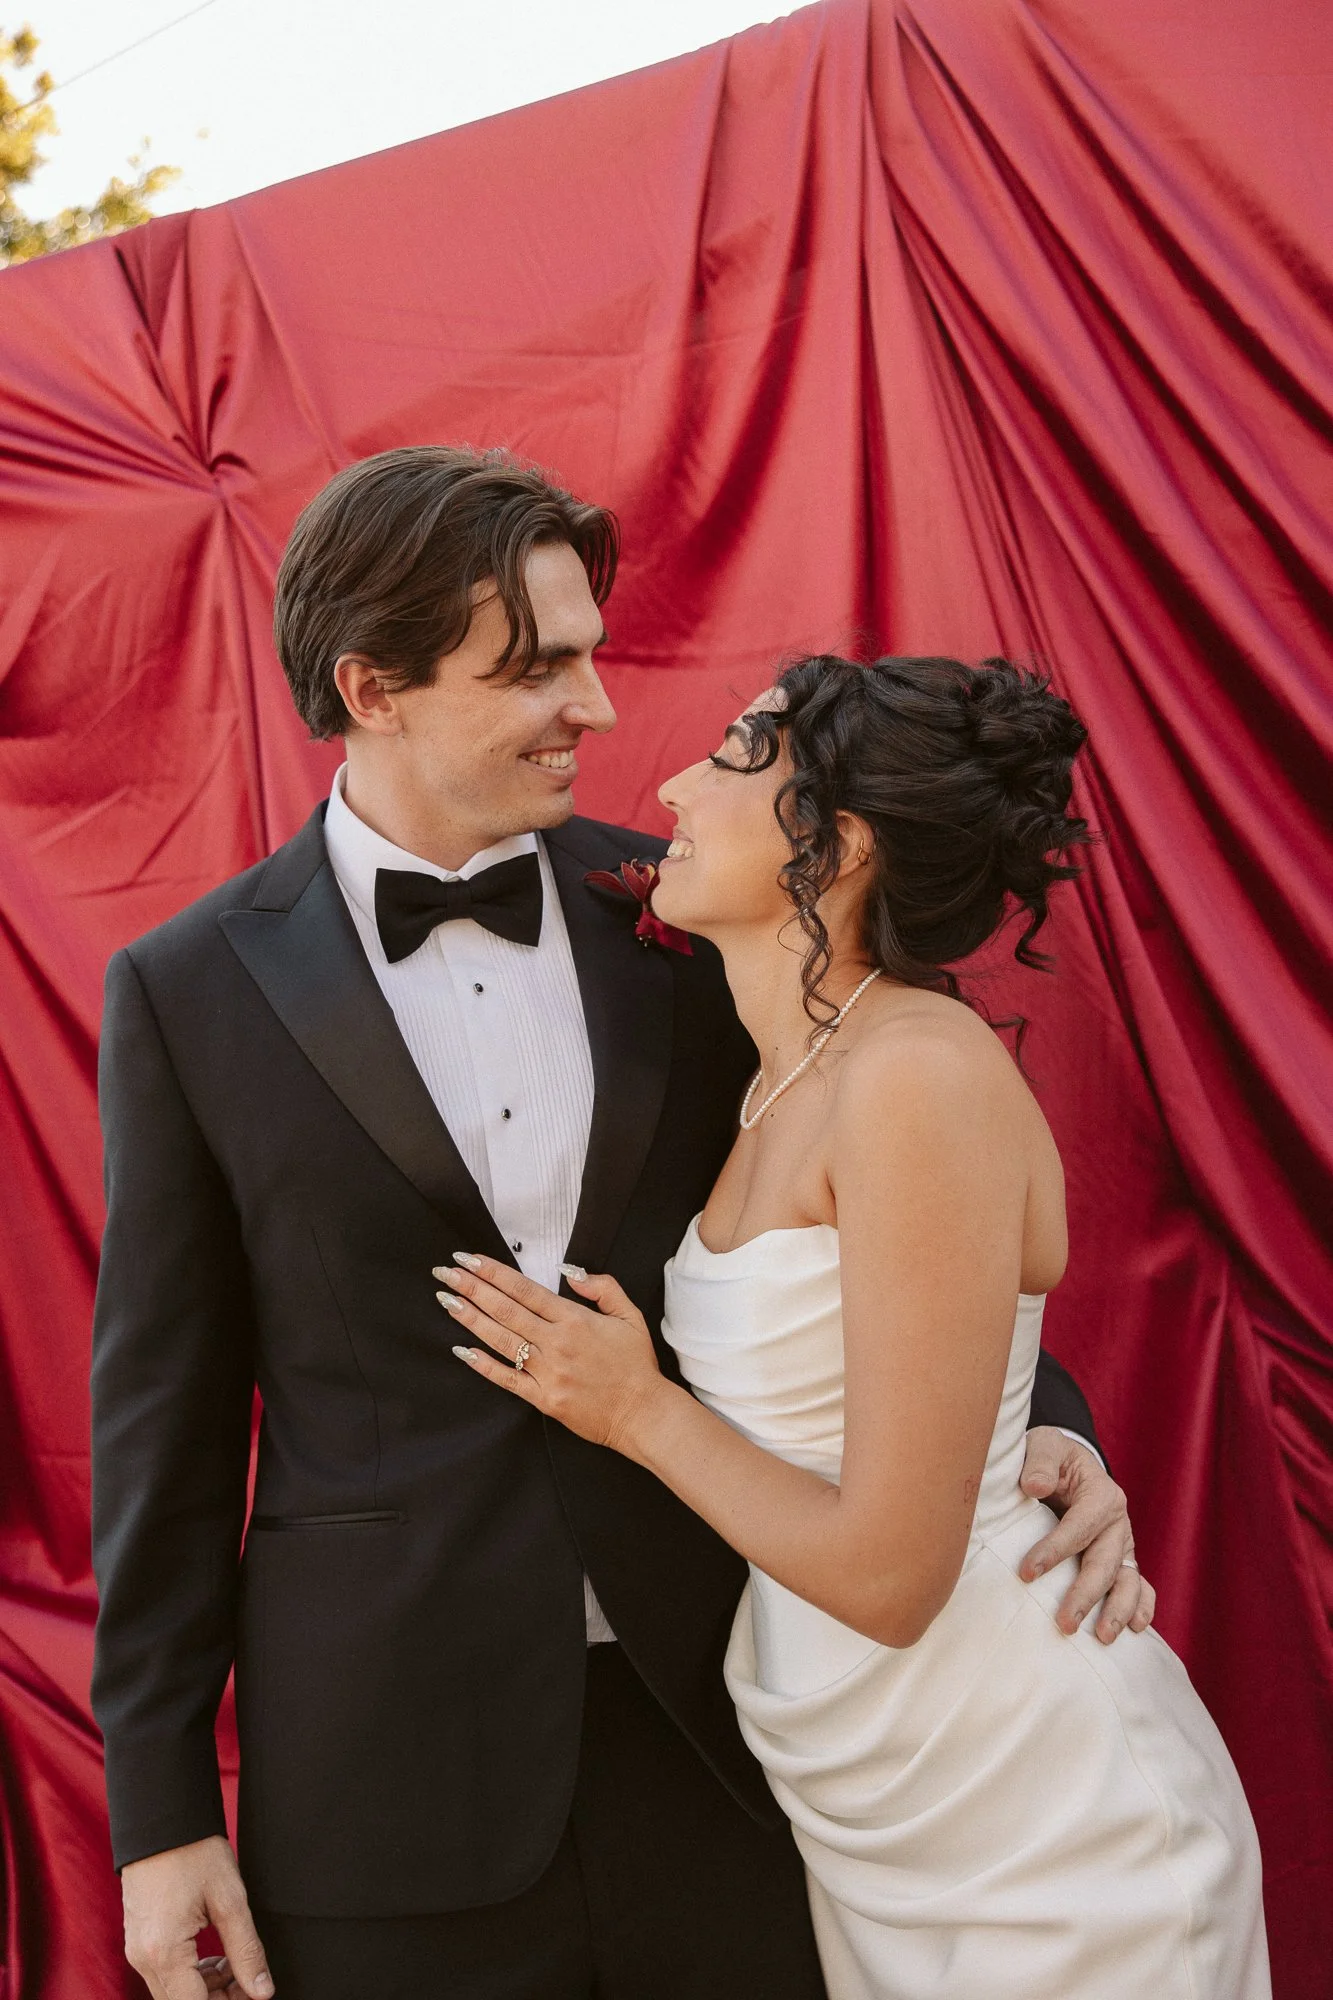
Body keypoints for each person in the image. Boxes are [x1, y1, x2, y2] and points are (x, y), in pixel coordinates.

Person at [92, 448, 1148, 2000]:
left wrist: (1036, 1431)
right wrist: (159, 1808)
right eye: (538, 668)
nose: (594, 707)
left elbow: (874, 1189)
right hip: (387, 1773)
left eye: (590, 651)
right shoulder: (186, 990)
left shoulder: (698, 908)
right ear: (372, 686)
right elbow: (161, 1424)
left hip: (737, 1722)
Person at [438, 651, 1270, 1999]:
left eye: (732, 758)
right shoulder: (779, 1082)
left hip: (1039, 1813)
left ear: (844, 845)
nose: (671, 785)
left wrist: (636, 1407)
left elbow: (892, 1576)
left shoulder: (915, 1079)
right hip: (875, 1810)